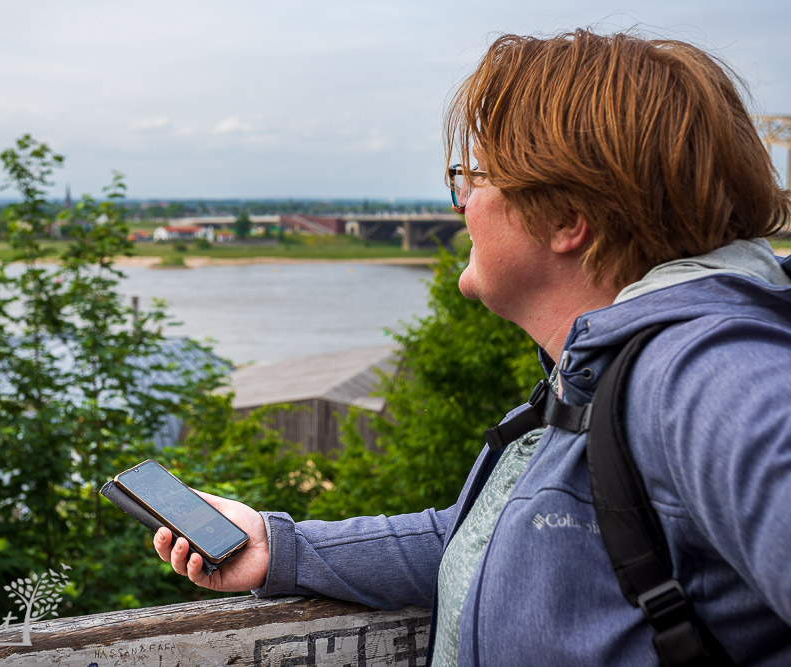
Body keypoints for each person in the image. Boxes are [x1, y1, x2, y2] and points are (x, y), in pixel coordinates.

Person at [153, 29, 791, 663]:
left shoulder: (704, 374)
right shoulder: (603, 371)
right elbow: (494, 541)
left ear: (567, 217)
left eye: (475, 178)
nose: (461, 205)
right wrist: (279, 549)